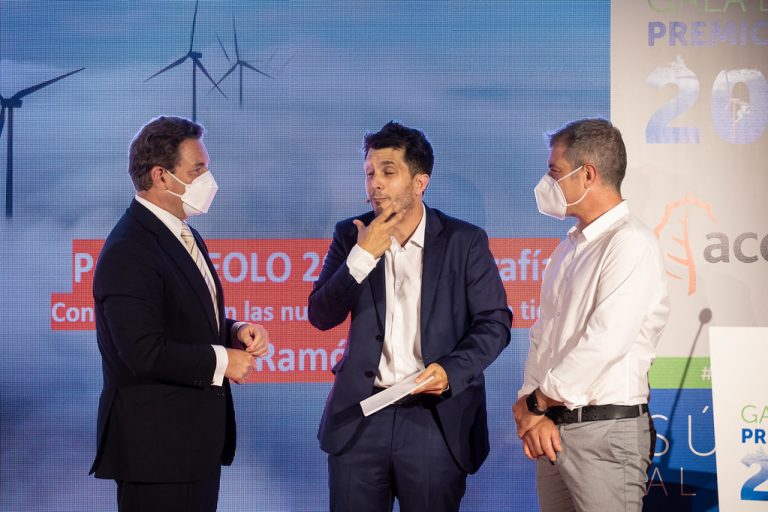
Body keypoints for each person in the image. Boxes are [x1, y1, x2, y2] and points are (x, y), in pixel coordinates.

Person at [308, 121, 512, 511]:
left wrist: (450, 371)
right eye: (370, 173)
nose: (375, 184)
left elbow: (494, 323)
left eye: (388, 172)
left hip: (433, 420)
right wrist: (362, 256)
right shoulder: (351, 235)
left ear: (420, 182)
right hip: (362, 418)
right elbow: (321, 315)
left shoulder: (463, 241)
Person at [90, 116, 269, 512]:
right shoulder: (129, 249)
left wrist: (234, 330)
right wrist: (223, 361)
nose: (209, 180)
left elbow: (181, 316)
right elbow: (141, 350)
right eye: (198, 170)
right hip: (157, 453)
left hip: (193, 448)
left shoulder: (182, 232)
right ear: (161, 176)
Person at [513, 118, 670, 511]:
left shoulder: (630, 243)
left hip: (605, 433)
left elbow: (605, 341)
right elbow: (544, 336)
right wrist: (532, 408)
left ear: (587, 175)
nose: (547, 184)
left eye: (555, 172)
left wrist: (538, 402)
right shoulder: (568, 249)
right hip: (552, 428)